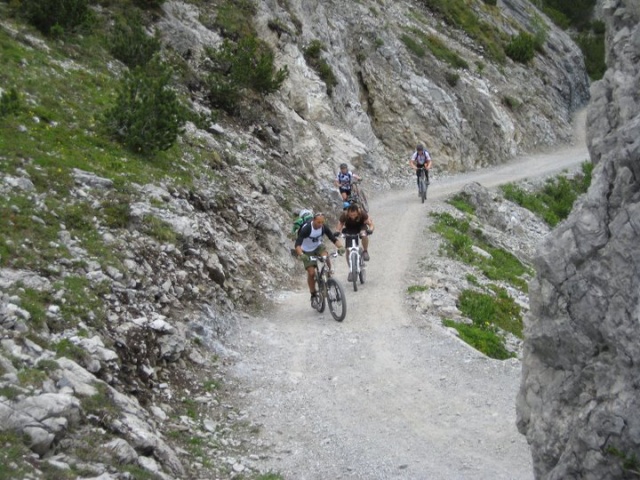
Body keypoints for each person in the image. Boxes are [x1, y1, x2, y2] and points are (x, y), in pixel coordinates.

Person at [294, 213, 345, 304]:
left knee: (326, 256)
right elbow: (297, 245)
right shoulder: (307, 229)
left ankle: (329, 276)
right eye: (318, 222)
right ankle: (313, 294)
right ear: (313, 220)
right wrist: (302, 255)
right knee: (311, 273)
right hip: (306, 250)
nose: (320, 224)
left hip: (318, 246)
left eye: (322, 222)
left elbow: (332, 238)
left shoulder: (323, 227)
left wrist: (340, 247)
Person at [336, 204, 374, 281]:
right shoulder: (345, 215)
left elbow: (370, 223)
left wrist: (371, 229)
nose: (352, 216)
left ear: (357, 212)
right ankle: (351, 270)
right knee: (348, 250)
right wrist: (337, 231)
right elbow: (340, 224)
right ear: (348, 212)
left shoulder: (362, 213)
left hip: (360, 227)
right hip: (349, 229)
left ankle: (365, 251)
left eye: (354, 214)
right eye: (351, 215)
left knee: (364, 235)